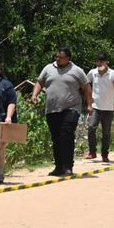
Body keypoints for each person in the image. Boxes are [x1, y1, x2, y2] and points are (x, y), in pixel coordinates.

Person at [32, 48, 91, 177]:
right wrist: (34, 95)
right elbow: (39, 82)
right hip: (52, 109)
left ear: (68, 58)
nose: (57, 59)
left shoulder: (77, 71)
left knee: (66, 135)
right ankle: (59, 167)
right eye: (57, 56)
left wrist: (90, 104)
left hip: (71, 108)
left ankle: (68, 166)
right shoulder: (48, 68)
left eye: (61, 57)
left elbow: (86, 87)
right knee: (56, 138)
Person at [84, 53, 114, 162]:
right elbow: (86, 85)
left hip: (108, 108)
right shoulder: (92, 73)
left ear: (107, 62)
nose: (100, 63)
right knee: (91, 127)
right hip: (95, 106)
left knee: (106, 132)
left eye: (102, 61)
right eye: (98, 61)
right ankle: (92, 152)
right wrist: (89, 103)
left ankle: (105, 154)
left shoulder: (113, 74)